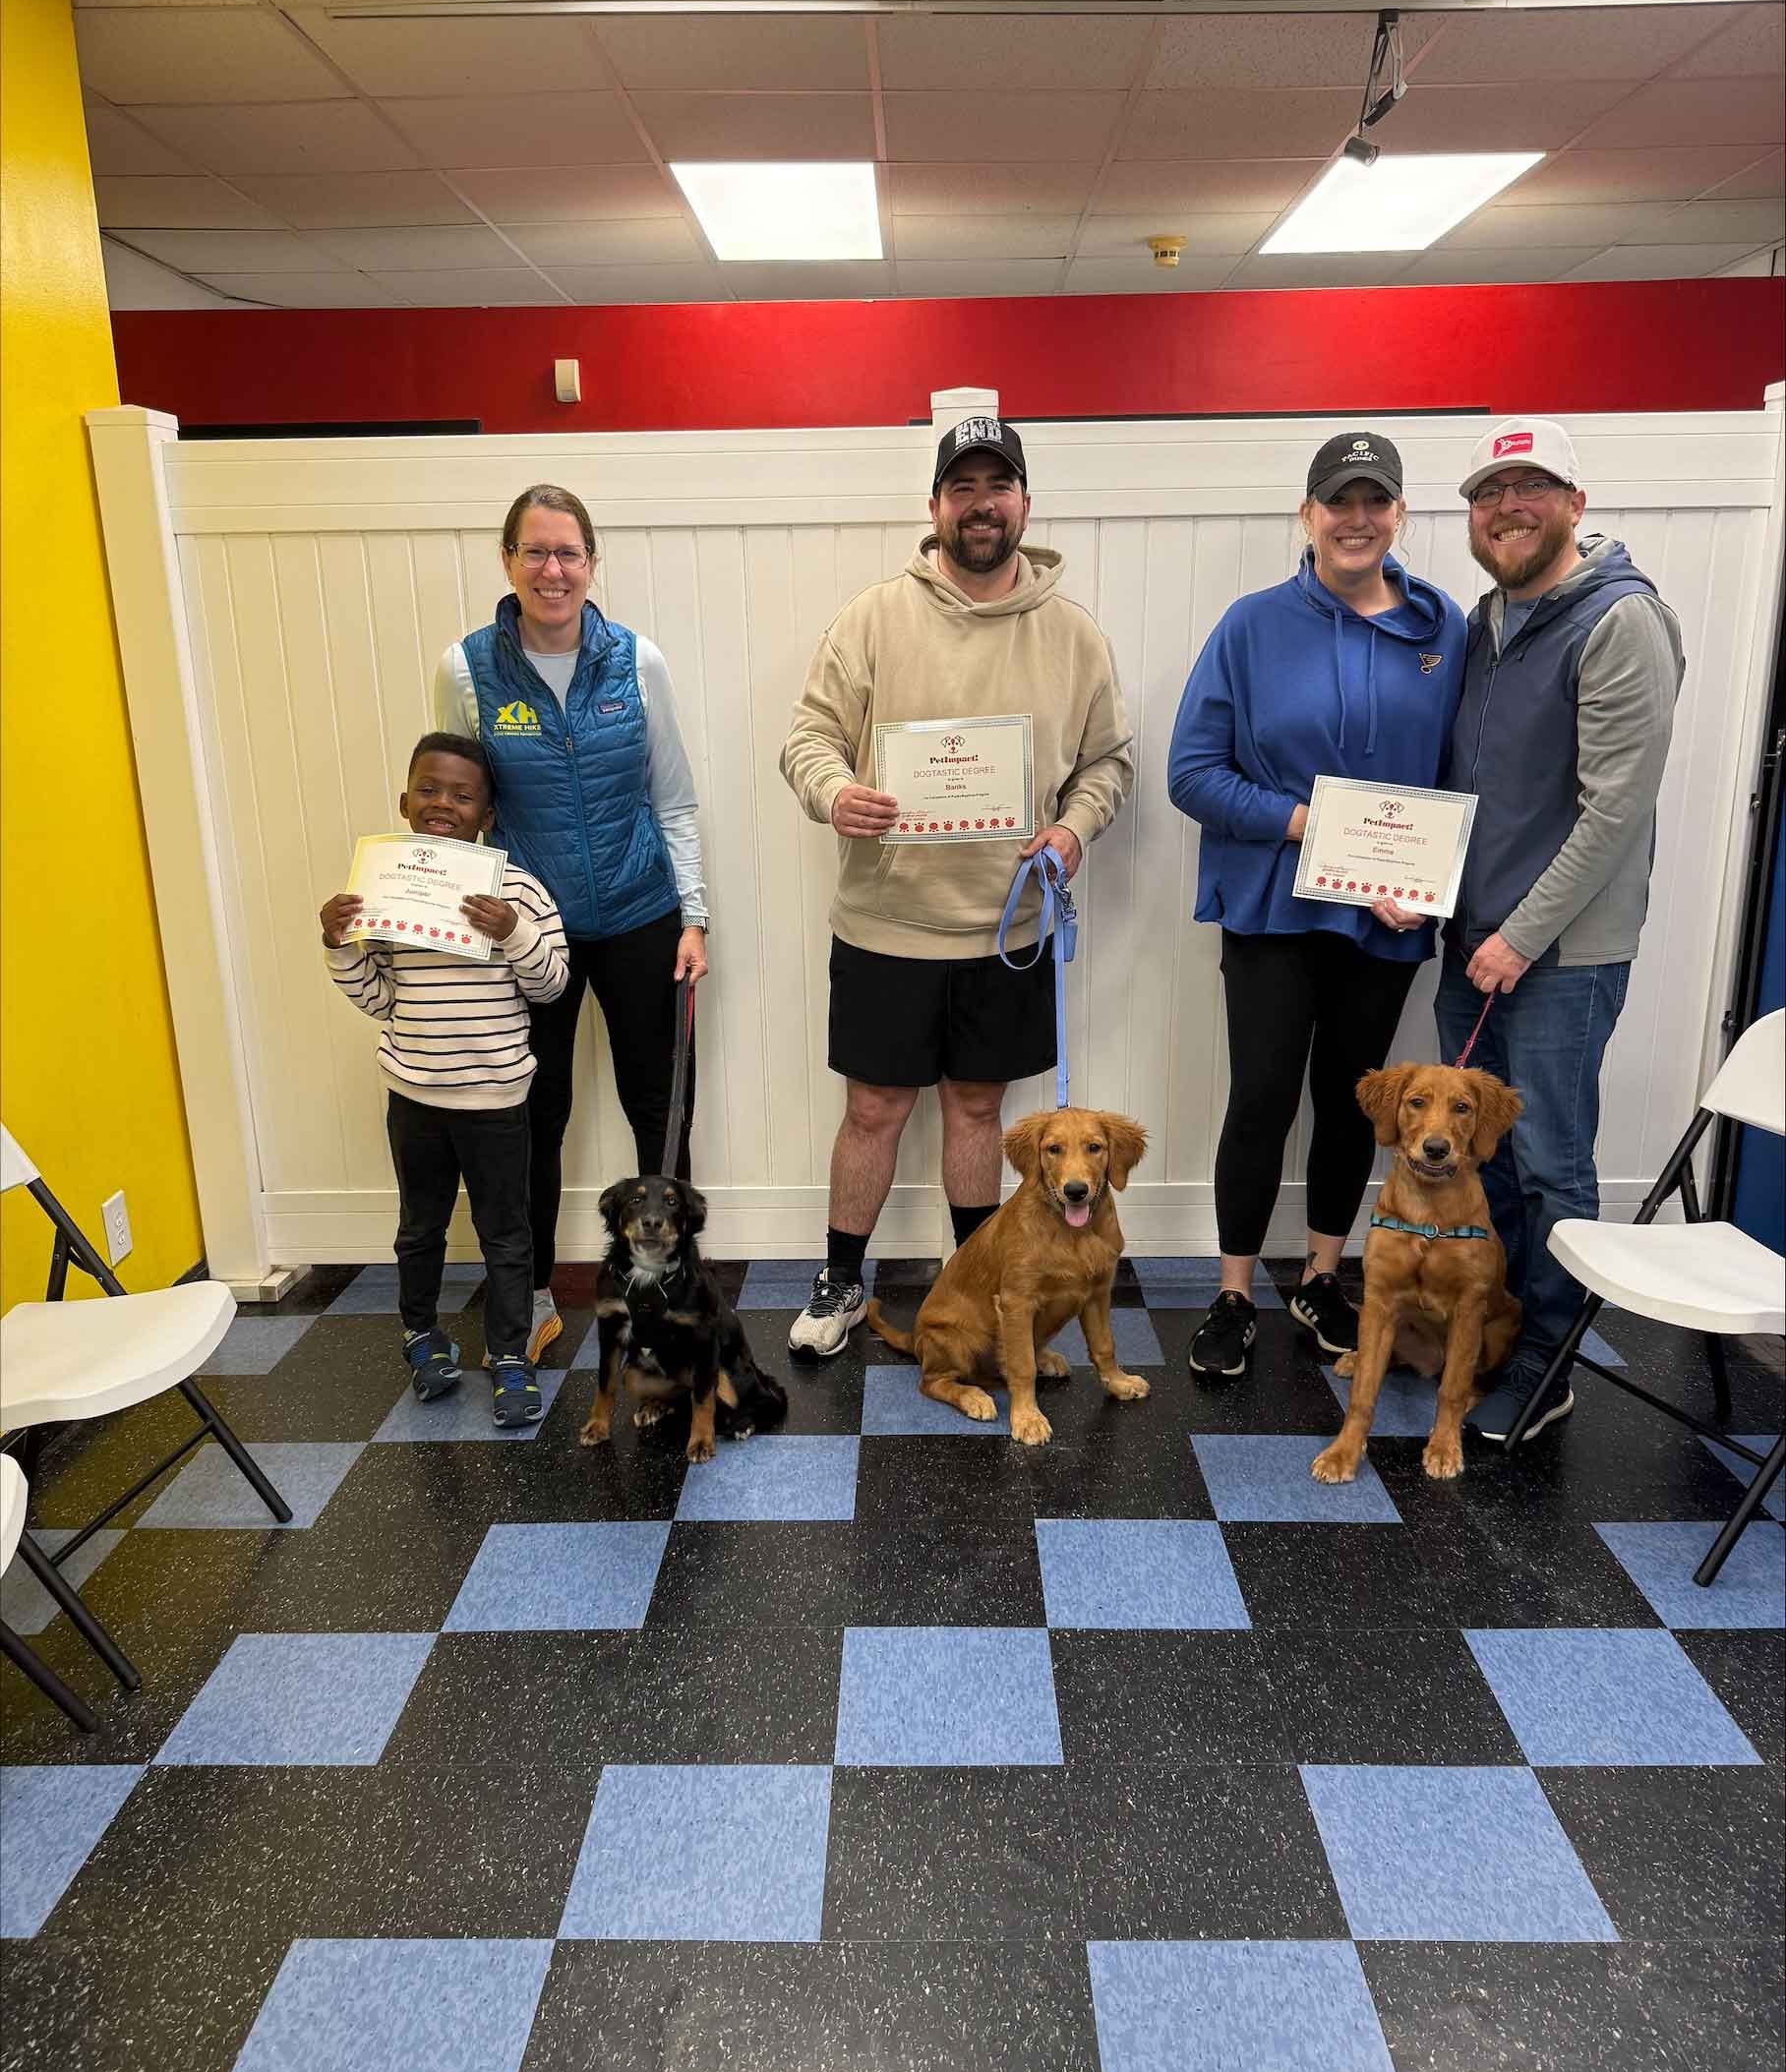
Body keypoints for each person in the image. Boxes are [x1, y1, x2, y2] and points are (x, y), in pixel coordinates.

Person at [778, 414, 1135, 1357]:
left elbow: (1108, 765)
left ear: (1024, 502)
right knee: (874, 1110)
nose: (981, 505)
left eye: (999, 485)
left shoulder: (1073, 636)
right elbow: (807, 739)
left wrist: (1072, 828)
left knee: (978, 1110)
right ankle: (843, 1283)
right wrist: (835, 792)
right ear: (935, 505)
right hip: (886, 923)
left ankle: (980, 1283)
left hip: (1006, 930)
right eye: (962, 488)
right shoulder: (870, 619)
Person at [1166, 432, 1466, 1379]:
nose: (1357, 519)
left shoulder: (1442, 628)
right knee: (1259, 1099)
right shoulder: (1250, 627)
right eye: (1340, 503)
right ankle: (1231, 1292)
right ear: (1308, 516)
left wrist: (1427, 881)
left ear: (1399, 517)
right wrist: (1307, 826)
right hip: (1272, 911)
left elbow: (1458, 773)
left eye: (1376, 502)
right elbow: (1192, 775)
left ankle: (1322, 1278)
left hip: (1389, 921)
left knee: (1354, 1104)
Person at [1434, 415, 1683, 1443]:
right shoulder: (1484, 622)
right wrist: (1427, 890)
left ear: (1575, 504)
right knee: (1486, 1158)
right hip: (1474, 941)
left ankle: (1548, 1360)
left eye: (1530, 488)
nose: (1506, 509)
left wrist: (1522, 937)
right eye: (1489, 495)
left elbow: (1612, 809)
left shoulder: (1618, 619)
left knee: (1547, 1160)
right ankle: (1489, 1334)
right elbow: (1470, 789)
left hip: (1559, 955)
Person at [436, 484, 708, 1365]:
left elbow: (673, 798)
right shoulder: (466, 668)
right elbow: (456, 808)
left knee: (658, 1111)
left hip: (640, 915)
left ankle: (665, 1297)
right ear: (506, 560)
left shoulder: (638, 661)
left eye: (570, 554)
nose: (553, 571)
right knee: (531, 1113)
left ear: (593, 564)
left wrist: (693, 917)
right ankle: (532, 1302)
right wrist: (463, 919)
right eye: (535, 552)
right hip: (530, 934)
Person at [320, 733, 568, 1427]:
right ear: (405, 802)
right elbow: (378, 998)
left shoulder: (517, 890)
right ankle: (421, 1335)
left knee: (506, 1233)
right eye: (429, 790)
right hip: (415, 1095)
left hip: (495, 1099)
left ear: (487, 815)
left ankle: (511, 1356)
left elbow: (551, 985)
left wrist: (513, 931)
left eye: (463, 796)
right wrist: (338, 945)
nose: (443, 805)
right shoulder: (383, 892)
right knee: (419, 1227)